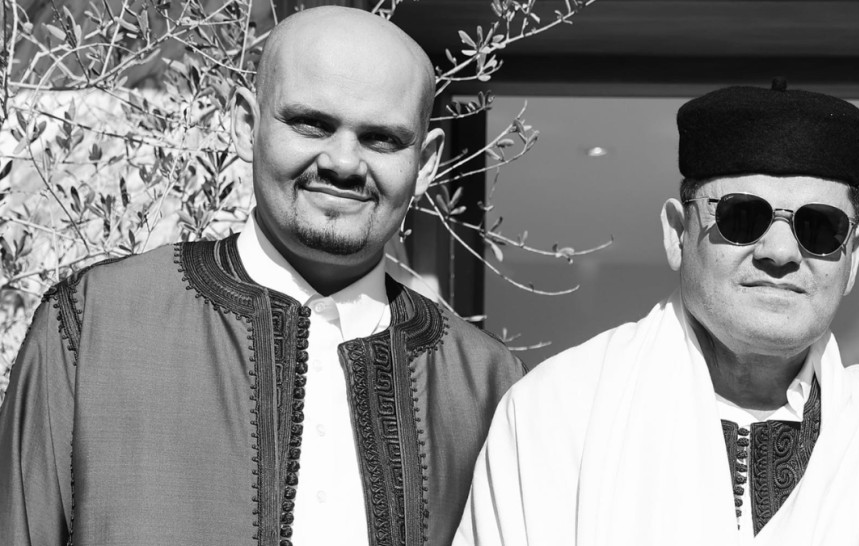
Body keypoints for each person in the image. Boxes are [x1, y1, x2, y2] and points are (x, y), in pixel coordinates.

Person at [0, 7, 523, 545]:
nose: (343, 162)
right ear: (246, 125)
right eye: (311, 124)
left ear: (426, 162)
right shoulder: (93, 326)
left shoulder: (489, 387)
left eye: (381, 138)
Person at [454, 80, 859, 545]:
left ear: (852, 257)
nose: (780, 252)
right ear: (677, 233)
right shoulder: (560, 412)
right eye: (743, 217)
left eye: (818, 227)